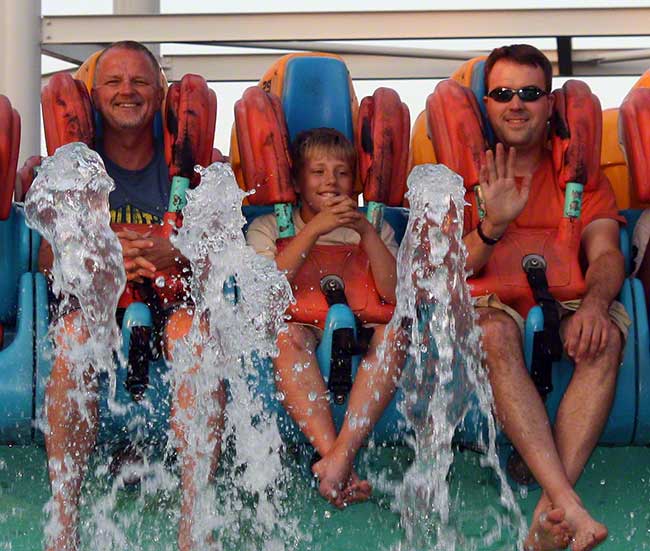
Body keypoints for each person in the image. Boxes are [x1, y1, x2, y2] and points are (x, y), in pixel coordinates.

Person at [38, 41, 224, 551]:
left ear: (160, 92)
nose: (127, 92)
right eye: (114, 82)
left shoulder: (202, 164)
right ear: (94, 96)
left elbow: (227, 256)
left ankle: (194, 522)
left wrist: (177, 253)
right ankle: (65, 522)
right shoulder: (66, 166)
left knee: (197, 337)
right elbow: (45, 263)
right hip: (97, 304)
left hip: (172, 301)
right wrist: (100, 250)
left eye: (140, 82)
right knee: (73, 334)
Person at [463, 45, 628, 551]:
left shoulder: (580, 172)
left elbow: (604, 255)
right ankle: (566, 502)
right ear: (487, 104)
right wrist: (494, 224)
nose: (517, 104)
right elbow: (451, 269)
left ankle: (547, 514)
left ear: (550, 104)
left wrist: (597, 306)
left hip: (567, 299)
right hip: (492, 304)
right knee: (492, 331)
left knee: (606, 336)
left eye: (531, 93)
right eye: (504, 93)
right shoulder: (464, 173)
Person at [246, 128, 402, 508]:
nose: (330, 181)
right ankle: (335, 456)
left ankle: (340, 456)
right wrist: (315, 230)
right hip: (301, 327)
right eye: (317, 172)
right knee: (284, 338)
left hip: (361, 325)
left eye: (342, 173)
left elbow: (396, 293)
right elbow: (265, 292)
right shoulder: (267, 228)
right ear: (297, 181)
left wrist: (364, 230)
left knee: (394, 335)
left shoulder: (375, 227)